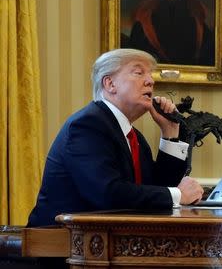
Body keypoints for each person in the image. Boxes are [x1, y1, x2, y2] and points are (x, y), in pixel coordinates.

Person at [27, 48, 204, 227]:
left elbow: (155, 190)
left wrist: (170, 133)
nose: (150, 81)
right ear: (110, 84)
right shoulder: (86, 126)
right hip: (59, 244)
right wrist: (179, 195)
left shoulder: (133, 136)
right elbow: (107, 193)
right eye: (139, 72)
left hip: (108, 242)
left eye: (150, 74)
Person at [127, 0, 214, 66]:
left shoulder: (195, 7)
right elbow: (137, 42)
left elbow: (206, 45)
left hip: (189, 68)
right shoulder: (149, 7)